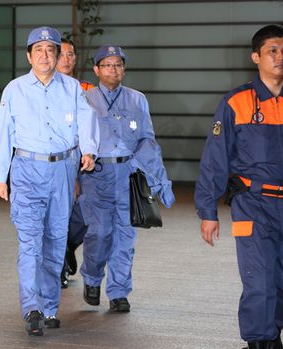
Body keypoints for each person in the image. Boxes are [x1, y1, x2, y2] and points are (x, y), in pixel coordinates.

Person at [195, 24, 283, 349]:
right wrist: (208, 211)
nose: (281, 57)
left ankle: (268, 326)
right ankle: (260, 340)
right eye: (273, 50)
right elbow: (215, 159)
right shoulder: (236, 103)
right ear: (256, 57)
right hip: (253, 204)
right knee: (260, 282)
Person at [0, 26, 99, 336]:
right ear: (28, 56)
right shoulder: (14, 90)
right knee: (30, 243)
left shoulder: (73, 88)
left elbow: (86, 120)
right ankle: (32, 308)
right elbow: (4, 134)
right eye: (38, 50)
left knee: (54, 242)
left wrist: (89, 150)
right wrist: (1, 176)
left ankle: (50, 307)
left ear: (57, 56)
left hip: (62, 171)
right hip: (26, 169)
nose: (45, 55)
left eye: (50, 50)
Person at [79, 45, 174, 313]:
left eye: (118, 64)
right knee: (99, 232)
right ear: (96, 69)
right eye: (107, 65)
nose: (114, 69)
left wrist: (159, 180)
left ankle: (119, 290)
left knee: (125, 236)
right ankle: (92, 277)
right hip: (96, 175)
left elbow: (147, 139)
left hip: (128, 175)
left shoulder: (137, 99)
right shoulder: (84, 99)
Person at [55, 37, 95, 288]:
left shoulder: (88, 89)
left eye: (71, 54)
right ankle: (57, 265)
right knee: (57, 214)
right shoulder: (43, 90)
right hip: (56, 163)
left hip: (85, 162)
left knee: (86, 213)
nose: (67, 59)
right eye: (62, 54)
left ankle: (68, 246)